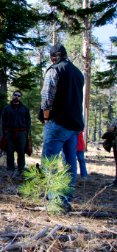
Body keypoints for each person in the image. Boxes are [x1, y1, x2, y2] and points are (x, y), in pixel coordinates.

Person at [41, 44, 84, 212]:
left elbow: (46, 96)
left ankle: (54, 199)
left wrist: (46, 118)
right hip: (74, 125)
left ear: (53, 57)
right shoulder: (78, 74)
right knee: (69, 163)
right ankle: (65, 199)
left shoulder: (54, 70)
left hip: (58, 122)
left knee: (49, 161)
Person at [1, 90, 31, 175]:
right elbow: (3, 122)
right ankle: (10, 169)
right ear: (12, 96)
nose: (16, 97)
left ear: (20, 97)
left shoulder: (25, 109)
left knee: (21, 151)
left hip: (22, 133)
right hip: (9, 132)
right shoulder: (6, 108)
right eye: (15, 95)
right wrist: (4, 134)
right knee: (9, 151)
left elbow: (28, 122)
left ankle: (21, 169)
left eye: (18, 96)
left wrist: (26, 134)